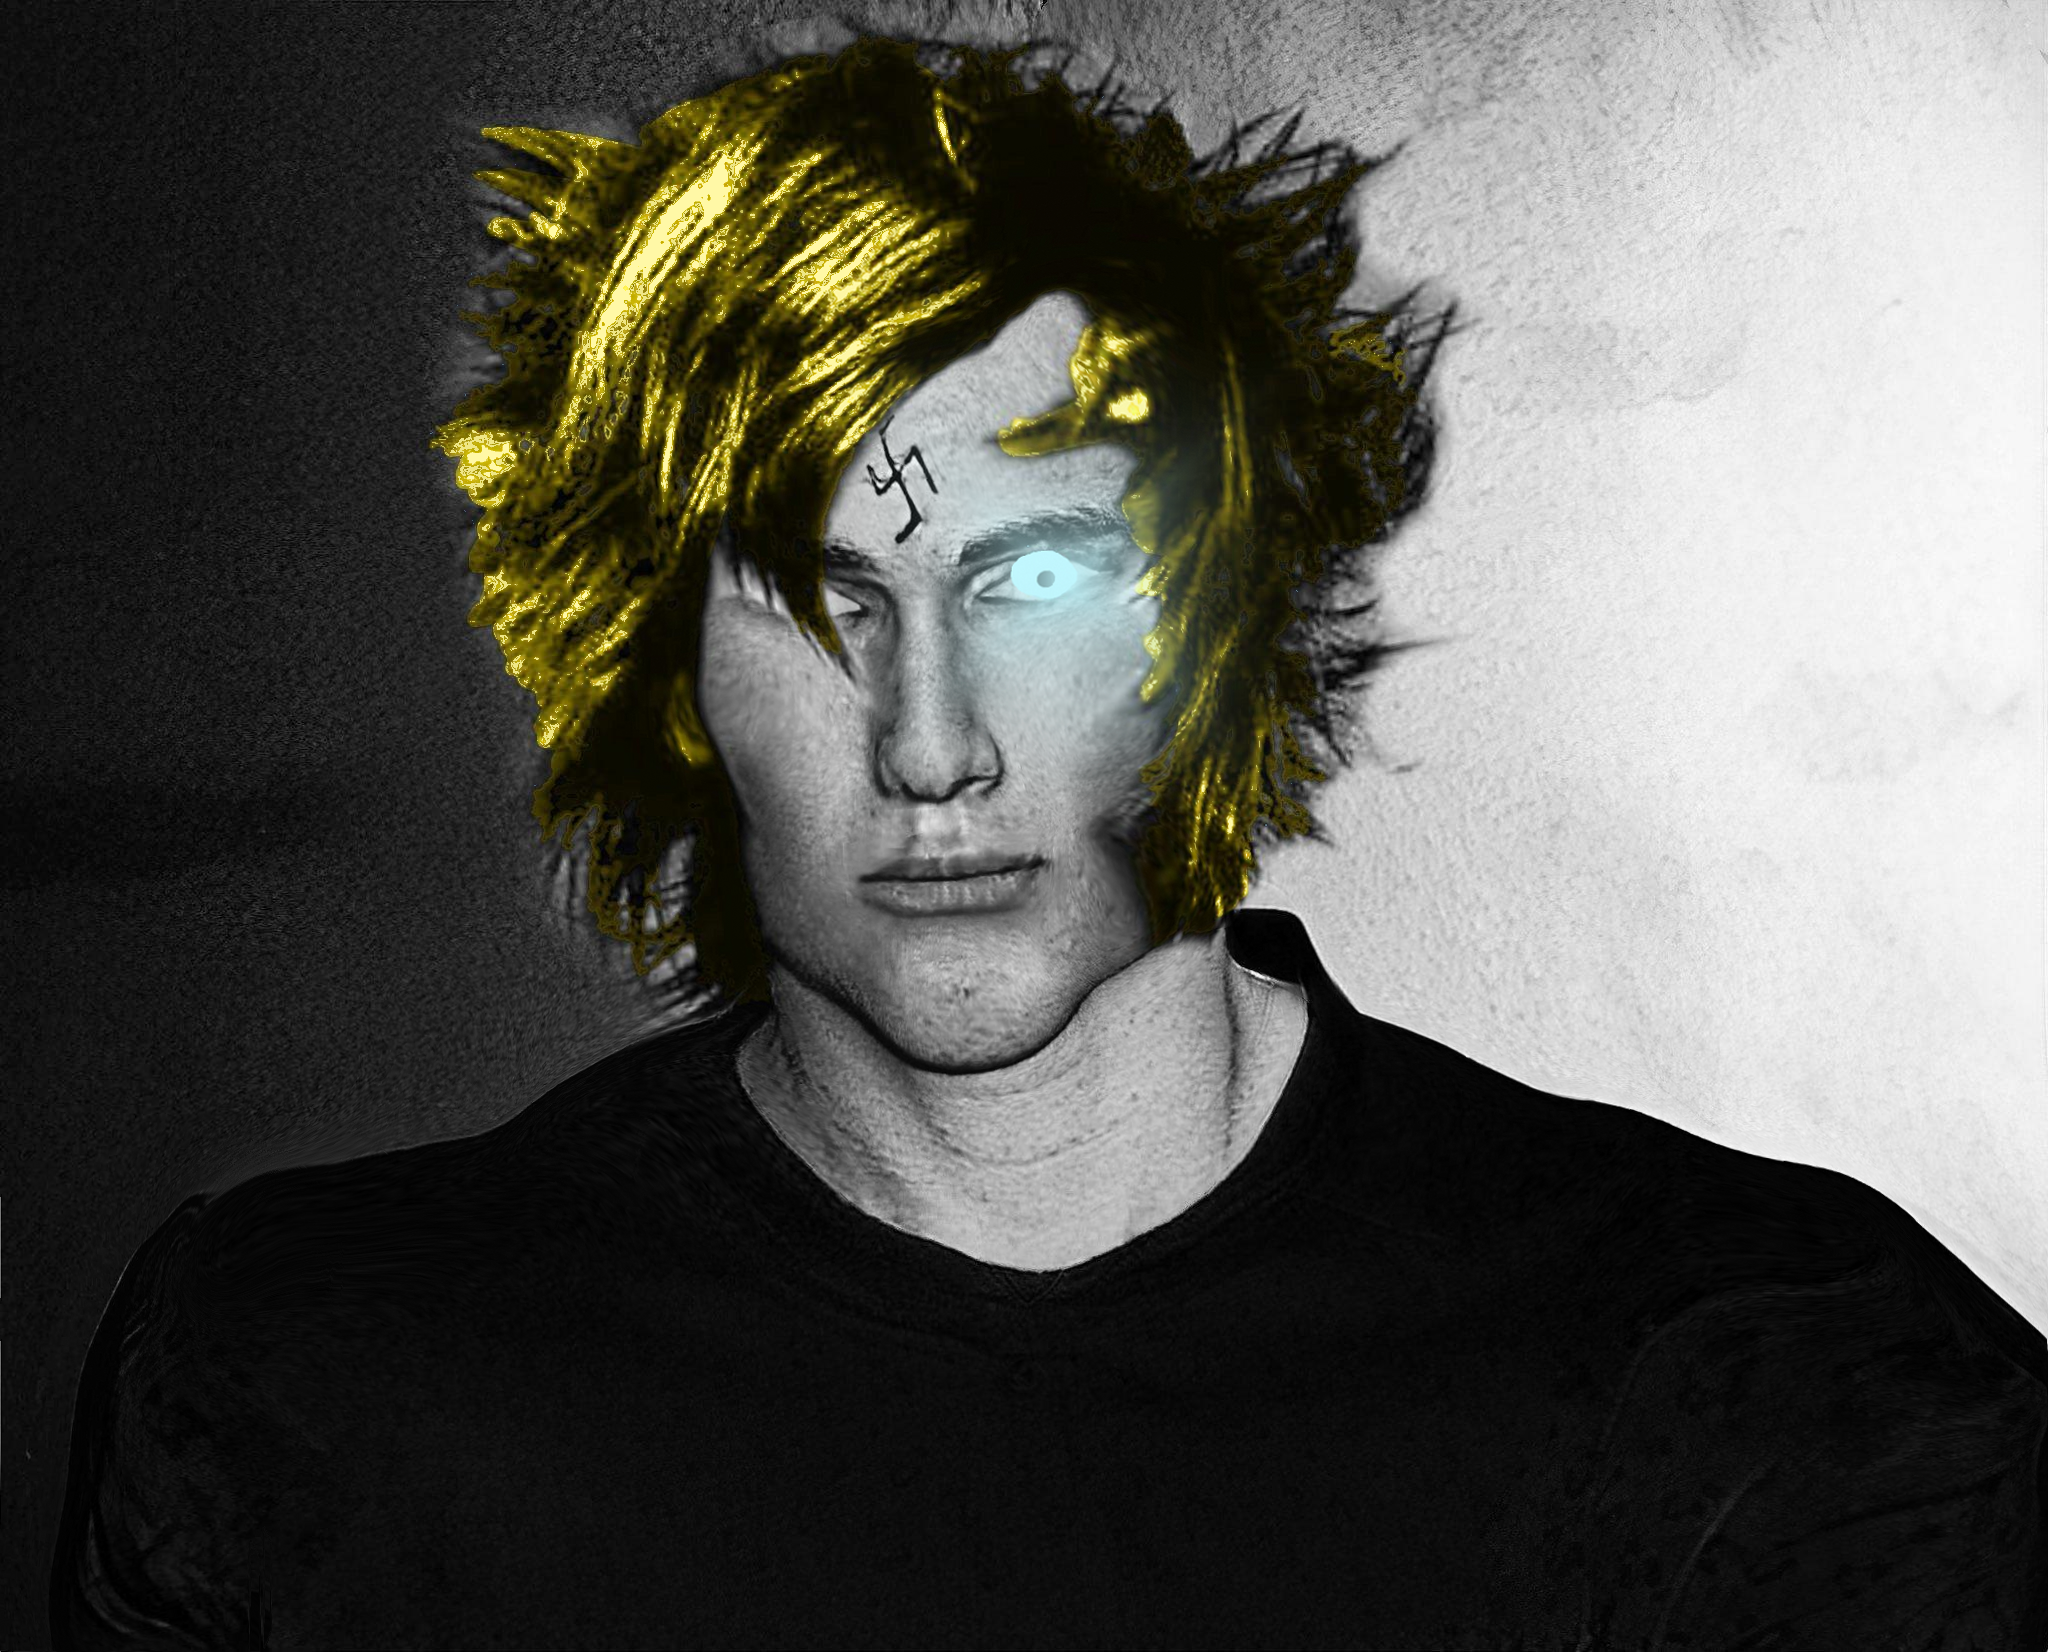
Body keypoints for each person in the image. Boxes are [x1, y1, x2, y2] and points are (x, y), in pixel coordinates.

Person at [51, 34, 2046, 1651]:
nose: (930, 746)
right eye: (815, 602)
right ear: (662, 666)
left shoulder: (1773, 1383)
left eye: (1039, 578)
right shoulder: (316, 1382)